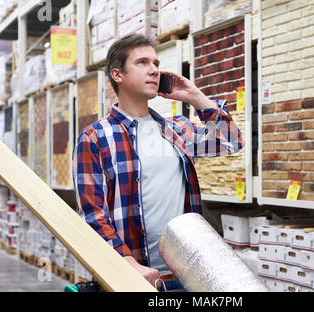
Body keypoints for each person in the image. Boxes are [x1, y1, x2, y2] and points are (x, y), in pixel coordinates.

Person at [72, 33, 244, 291]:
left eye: (156, 63)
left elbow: (231, 140)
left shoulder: (177, 129)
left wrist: (194, 96)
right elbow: (93, 215)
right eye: (142, 63)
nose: (154, 70)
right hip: (134, 276)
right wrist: (128, 264)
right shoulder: (95, 137)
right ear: (117, 75)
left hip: (188, 273)